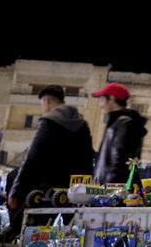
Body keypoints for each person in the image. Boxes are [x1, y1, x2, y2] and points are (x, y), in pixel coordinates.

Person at [9, 86, 94, 224]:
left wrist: (16, 190)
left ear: (47, 101)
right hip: (74, 189)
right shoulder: (82, 125)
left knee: (32, 229)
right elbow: (88, 159)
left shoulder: (49, 121)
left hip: (46, 189)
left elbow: (32, 158)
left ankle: (12, 232)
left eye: (42, 103)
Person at [92, 82, 148, 184]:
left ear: (112, 99)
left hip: (115, 188)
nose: (100, 104)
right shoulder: (116, 123)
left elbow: (119, 159)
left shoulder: (124, 124)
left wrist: (110, 186)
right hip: (112, 186)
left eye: (102, 99)